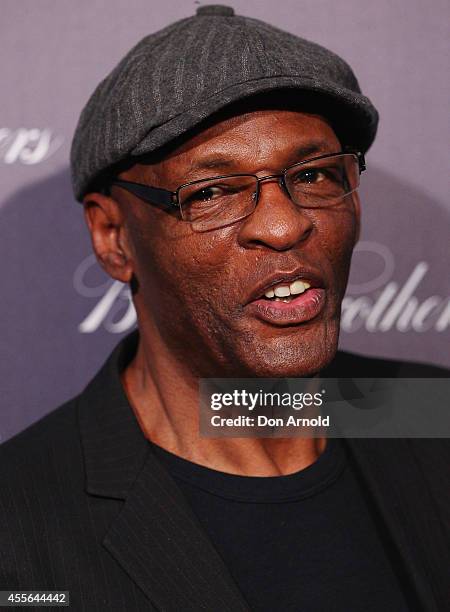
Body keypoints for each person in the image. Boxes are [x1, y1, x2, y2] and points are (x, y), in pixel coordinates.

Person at [0, 6, 448, 611]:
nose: (285, 225)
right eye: (210, 192)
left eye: (314, 173)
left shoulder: (432, 413)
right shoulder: (19, 516)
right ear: (113, 237)